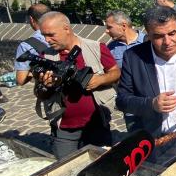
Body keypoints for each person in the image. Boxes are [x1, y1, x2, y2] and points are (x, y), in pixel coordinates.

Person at [116, 7, 176, 163]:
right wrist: (151, 104)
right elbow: (122, 100)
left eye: (172, 33)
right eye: (159, 36)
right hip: (158, 143)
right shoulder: (134, 57)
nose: (167, 42)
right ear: (148, 34)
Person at [38, 12, 120, 158]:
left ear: (66, 29)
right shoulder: (45, 57)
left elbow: (115, 72)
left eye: (51, 34)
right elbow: (40, 94)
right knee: (65, 171)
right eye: (44, 35)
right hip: (64, 128)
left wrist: (100, 79)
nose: (47, 40)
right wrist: (47, 87)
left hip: (98, 124)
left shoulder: (96, 48)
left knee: (101, 166)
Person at [14, 3, 52, 86]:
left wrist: (32, 73)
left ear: (31, 19)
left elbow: (20, 80)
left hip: (49, 91)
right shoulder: (65, 34)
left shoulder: (26, 45)